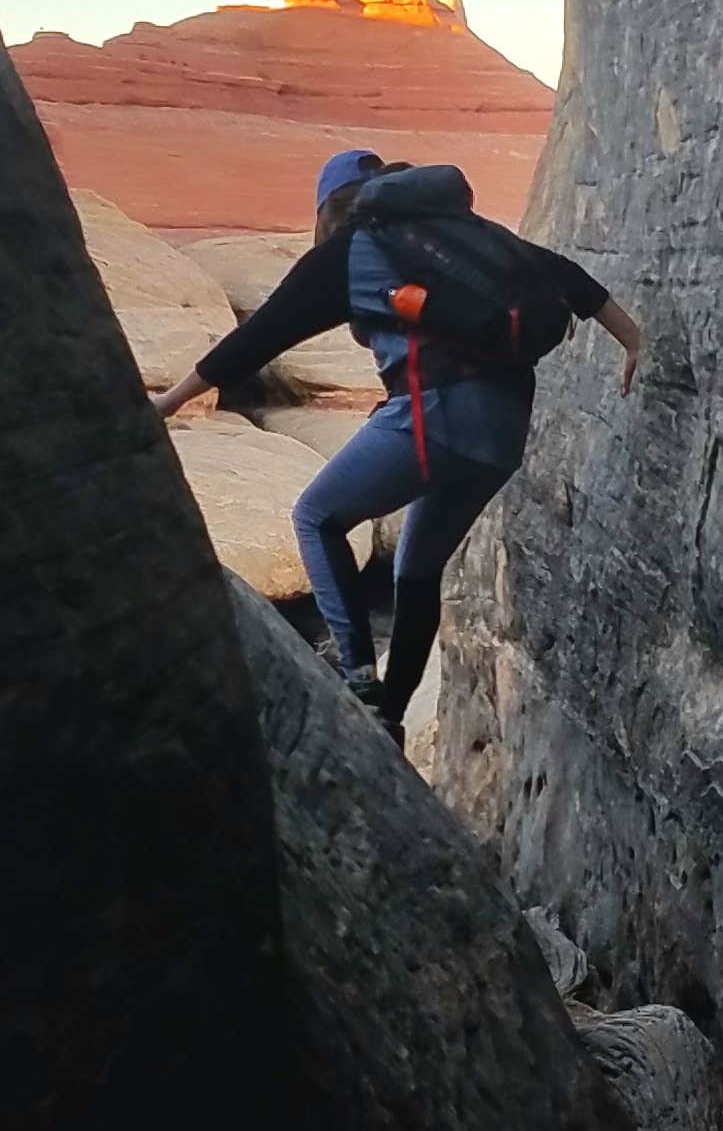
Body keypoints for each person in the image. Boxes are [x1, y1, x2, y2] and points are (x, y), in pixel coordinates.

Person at [154, 147, 643, 744]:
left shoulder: (350, 253)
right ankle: (391, 715)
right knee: (416, 566)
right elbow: (569, 277)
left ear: (330, 207)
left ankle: (359, 678)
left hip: (435, 421)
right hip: (500, 436)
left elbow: (256, 340)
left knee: (317, 517)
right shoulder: (465, 234)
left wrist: (170, 400)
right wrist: (634, 341)